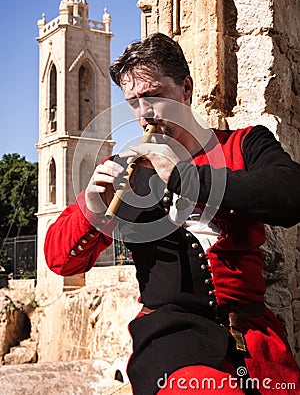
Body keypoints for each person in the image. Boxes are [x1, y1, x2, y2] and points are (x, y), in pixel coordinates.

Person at [44, 33, 300, 394]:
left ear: (186, 89)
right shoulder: (124, 172)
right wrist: (90, 206)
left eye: (154, 96)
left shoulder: (245, 143)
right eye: (133, 102)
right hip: (170, 340)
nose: (143, 113)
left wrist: (184, 176)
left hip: (256, 339)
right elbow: (60, 261)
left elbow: (290, 195)